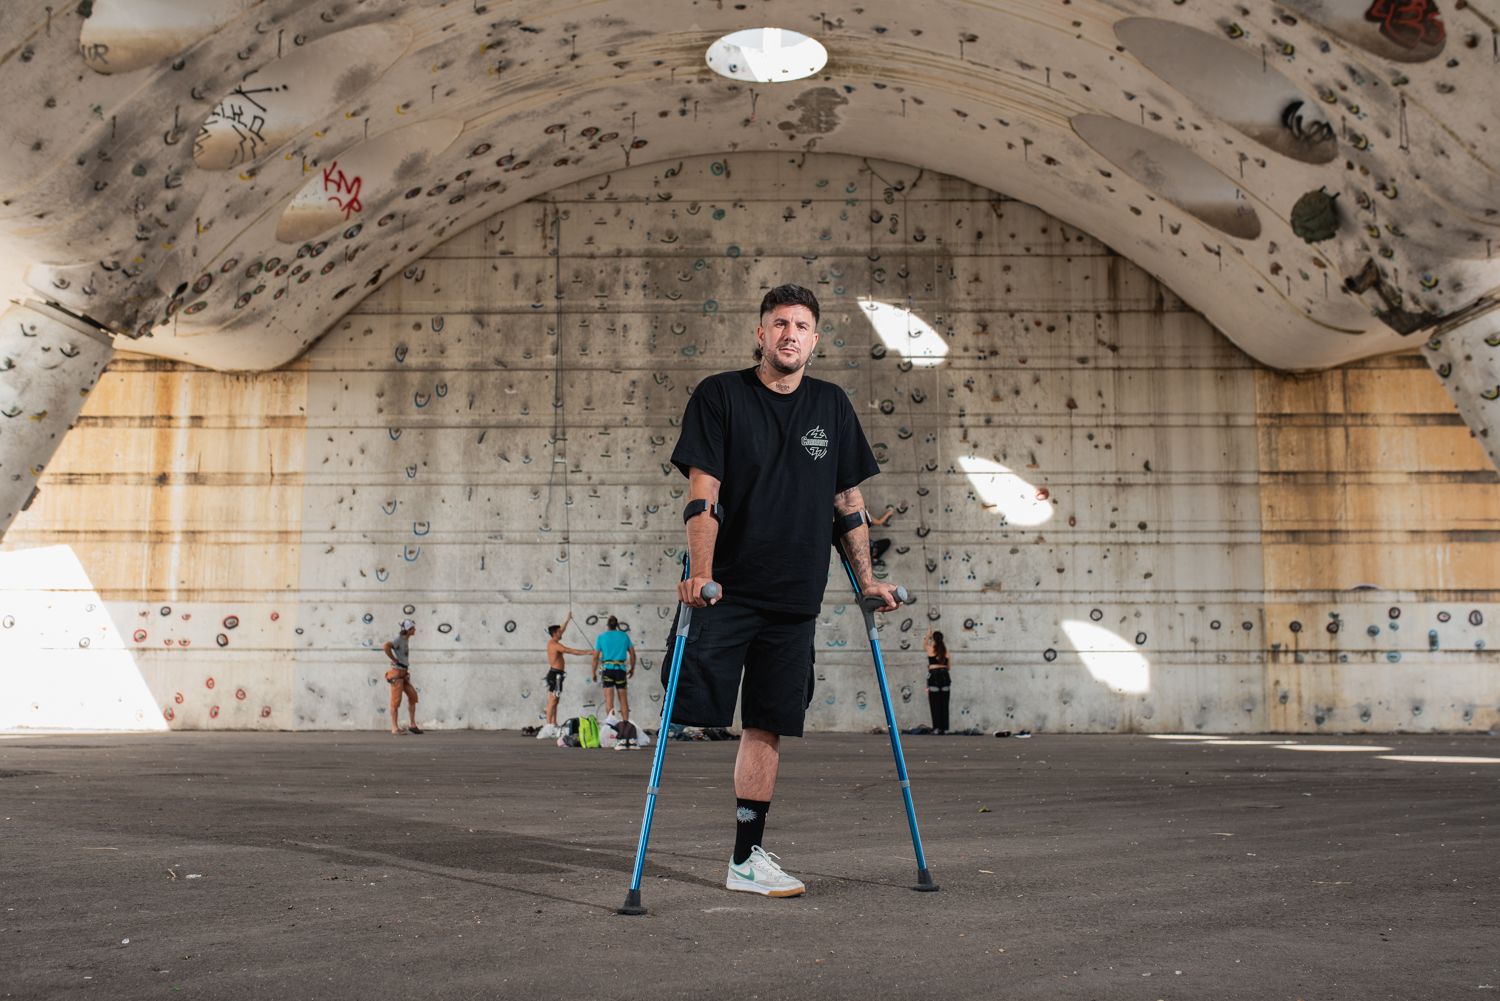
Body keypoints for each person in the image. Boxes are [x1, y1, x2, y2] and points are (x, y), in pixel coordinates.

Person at [670, 283, 900, 898]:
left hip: (796, 599)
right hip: (726, 590)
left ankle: (745, 859)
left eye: (801, 325)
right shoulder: (721, 395)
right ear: (761, 333)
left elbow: (848, 504)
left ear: (815, 339)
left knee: (768, 724)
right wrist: (700, 572)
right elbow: (703, 492)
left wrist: (868, 583)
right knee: (688, 710)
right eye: (779, 323)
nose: (790, 333)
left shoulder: (830, 404)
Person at [544, 612, 592, 727]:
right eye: (559, 632)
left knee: (556, 700)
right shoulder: (555, 645)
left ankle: (554, 723)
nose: (562, 632)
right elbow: (571, 651)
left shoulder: (554, 641)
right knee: (552, 701)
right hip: (555, 675)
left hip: (558, 675)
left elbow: (562, 629)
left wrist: (567, 620)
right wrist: (589, 652)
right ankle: (548, 725)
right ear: (555, 633)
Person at [381, 619, 423, 735]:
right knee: (396, 701)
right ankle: (394, 728)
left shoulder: (405, 640)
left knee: (413, 696)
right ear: (407, 630)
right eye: (412, 628)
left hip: (403, 674)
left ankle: (413, 725)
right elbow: (386, 646)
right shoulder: (399, 640)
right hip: (397, 674)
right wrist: (393, 659)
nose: (414, 630)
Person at [592, 615, 637, 722]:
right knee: (623, 699)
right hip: (620, 670)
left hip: (607, 670)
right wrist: (632, 669)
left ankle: (611, 725)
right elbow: (633, 654)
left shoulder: (601, 637)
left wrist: (593, 672)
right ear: (617, 625)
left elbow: (595, 657)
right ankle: (625, 724)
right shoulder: (624, 636)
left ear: (607, 625)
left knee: (609, 700)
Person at [923, 628, 952, 734]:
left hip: (934, 677)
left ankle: (936, 728)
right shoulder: (946, 652)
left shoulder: (931, 649)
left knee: (934, 704)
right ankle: (945, 728)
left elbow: (924, 644)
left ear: (934, 639)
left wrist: (928, 635)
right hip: (944, 677)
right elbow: (948, 667)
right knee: (944, 704)